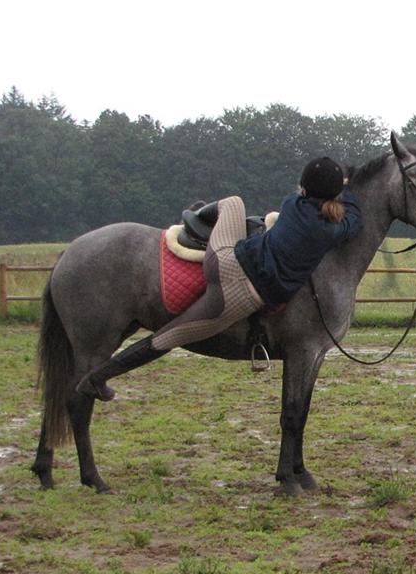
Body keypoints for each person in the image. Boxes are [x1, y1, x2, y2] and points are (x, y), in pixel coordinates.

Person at [76, 157, 363, 401]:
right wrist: (349, 192)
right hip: (238, 293)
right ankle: (96, 379)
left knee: (232, 203)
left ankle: (196, 216)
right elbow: (354, 219)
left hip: (224, 256)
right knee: (170, 337)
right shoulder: (330, 231)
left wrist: (342, 186)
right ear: (334, 194)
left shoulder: (291, 205)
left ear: (304, 189)